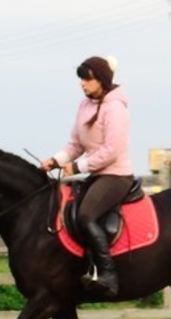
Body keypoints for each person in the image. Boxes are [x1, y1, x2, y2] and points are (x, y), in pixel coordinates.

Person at [41, 55, 134, 298]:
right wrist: (55, 160)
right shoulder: (85, 105)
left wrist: (77, 167)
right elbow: (75, 144)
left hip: (116, 176)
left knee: (86, 215)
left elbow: (111, 151)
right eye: (81, 79)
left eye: (87, 79)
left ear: (101, 80)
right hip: (96, 174)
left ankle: (108, 275)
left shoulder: (115, 109)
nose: (82, 83)